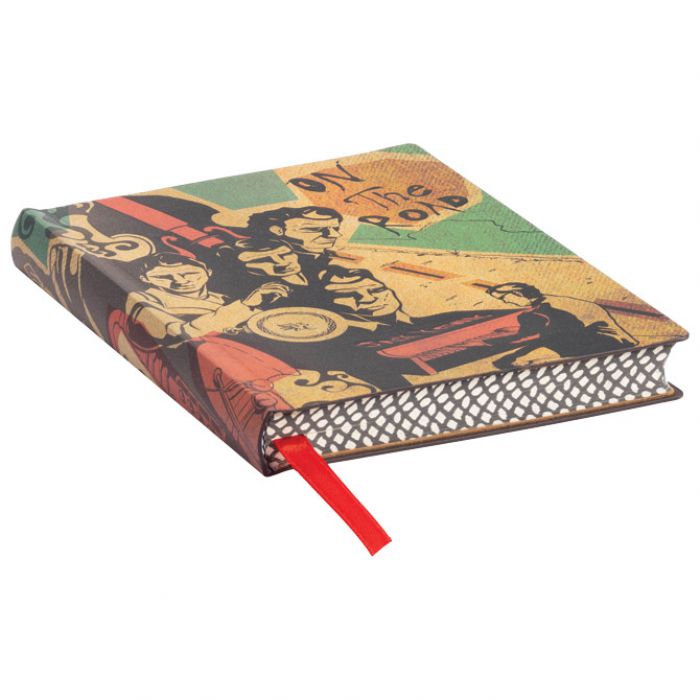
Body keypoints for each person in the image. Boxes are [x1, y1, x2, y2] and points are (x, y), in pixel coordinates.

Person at [125, 253, 288, 343]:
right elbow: (177, 336)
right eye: (163, 277)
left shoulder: (223, 299)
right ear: (146, 279)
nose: (180, 281)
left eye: (189, 273)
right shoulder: (143, 299)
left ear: (208, 271)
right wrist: (245, 305)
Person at [485, 282, 637, 368]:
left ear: (517, 294)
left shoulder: (552, 307)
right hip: (605, 341)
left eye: (504, 299)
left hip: (604, 344)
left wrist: (514, 354)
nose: (505, 302)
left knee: (543, 348)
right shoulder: (544, 305)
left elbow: (547, 337)